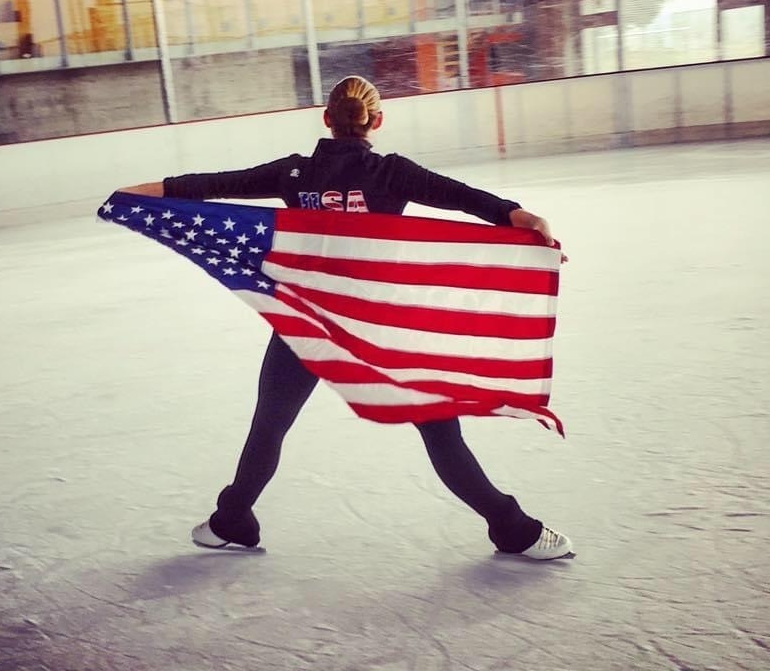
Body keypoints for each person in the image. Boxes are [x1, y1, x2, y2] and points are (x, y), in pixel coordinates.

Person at [121, 75, 572, 560]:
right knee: (440, 431)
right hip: (380, 327)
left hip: (307, 323)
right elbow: (467, 199)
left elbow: (207, 186)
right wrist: (523, 219)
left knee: (269, 425)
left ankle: (232, 519)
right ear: (376, 121)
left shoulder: (294, 174)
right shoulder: (391, 173)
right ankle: (513, 529)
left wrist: (131, 193)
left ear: (327, 120)